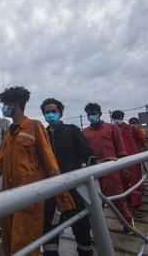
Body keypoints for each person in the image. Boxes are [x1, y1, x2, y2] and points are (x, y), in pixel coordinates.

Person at [0, 86, 75, 256]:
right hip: (8, 198)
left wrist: (64, 200)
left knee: (25, 246)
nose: (4, 108)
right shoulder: (8, 133)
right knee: (9, 245)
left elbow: (50, 163)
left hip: (29, 199)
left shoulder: (34, 127)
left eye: (5, 104)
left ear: (14, 104)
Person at [40, 98, 98, 256]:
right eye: (47, 112)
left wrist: (94, 160)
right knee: (49, 229)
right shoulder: (42, 135)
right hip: (50, 191)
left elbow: (85, 151)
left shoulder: (71, 131)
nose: (50, 114)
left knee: (81, 228)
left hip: (73, 189)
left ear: (60, 112)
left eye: (53, 111)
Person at [82, 103, 135, 234]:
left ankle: (127, 223)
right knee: (96, 203)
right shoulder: (85, 132)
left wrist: (125, 167)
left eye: (93, 113)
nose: (91, 116)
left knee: (118, 199)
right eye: (88, 114)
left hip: (111, 171)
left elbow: (120, 147)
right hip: (93, 171)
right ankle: (100, 231)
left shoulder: (111, 128)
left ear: (100, 113)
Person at [111, 111, 148, 218]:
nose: (116, 119)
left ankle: (135, 207)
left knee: (135, 184)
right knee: (123, 184)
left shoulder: (133, 129)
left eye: (118, 117)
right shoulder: (111, 131)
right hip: (119, 162)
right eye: (114, 117)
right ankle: (128, 205)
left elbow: (143, 141)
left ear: (122, 117)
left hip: (133, 161)